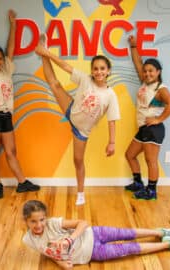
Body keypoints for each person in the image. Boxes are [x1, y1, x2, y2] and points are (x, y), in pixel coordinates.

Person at [35, 36, 120, 205]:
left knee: (78, 160)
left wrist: (112, 142)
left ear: (108, 71)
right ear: (92, 70)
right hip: (71, 109)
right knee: (54, 84)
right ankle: (42, 52)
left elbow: (112, 121)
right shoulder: (85, 79)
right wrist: (48, 53)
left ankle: (80, 193)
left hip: (81, 131)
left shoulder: (110, 95)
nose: (99, 72)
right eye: (95, 68)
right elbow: (65, 66)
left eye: (102, 68)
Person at [0, 10, 40, 199]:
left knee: (11, 151)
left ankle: (22, 182)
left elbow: (10, 48)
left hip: (7, 116)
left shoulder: (6, 71)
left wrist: (14, 25)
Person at [22, 200, 170, 269]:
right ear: (26, 221)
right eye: (33, 222)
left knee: (128, 233)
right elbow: (44, 250)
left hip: (94, 233)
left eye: (41, 220)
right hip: (92, 254)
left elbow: (83, 223)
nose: (39, 225)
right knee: (130, 249)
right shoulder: (28, 239)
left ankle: (160, 232)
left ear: (46, 217)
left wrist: (69, 239)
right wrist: (58, 261)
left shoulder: (53, 223)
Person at [124, 35, 170, 200]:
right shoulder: (145, 83)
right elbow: (138, 64)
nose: (147, 73)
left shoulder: (161, 88)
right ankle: (138, 182)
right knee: (130, 155)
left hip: (153, 129)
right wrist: (134, 47)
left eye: (150, 71)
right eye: (145, 71)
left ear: (158, 72)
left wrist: (158, 119)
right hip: (143, 129)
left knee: (150, 160)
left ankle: (151, 190)